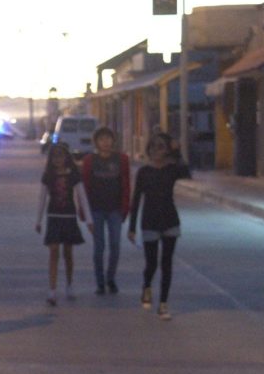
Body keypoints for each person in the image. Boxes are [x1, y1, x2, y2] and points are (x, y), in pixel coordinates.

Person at [128, 132, 190, 321]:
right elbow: (136, 199)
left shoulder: (172, 169)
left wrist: (177, 151)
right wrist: (132, 227)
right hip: (150, 222)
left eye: (161, 146)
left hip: (170, 220)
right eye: (153, 146)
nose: (156, 150)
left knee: (167, 263)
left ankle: (163, 304)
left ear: (167, 150)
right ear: (148, 150)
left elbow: (187, 172)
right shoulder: (144, 172)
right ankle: (146, 286)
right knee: (152, 263)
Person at [36, 143, 88, 306]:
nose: (58, 159)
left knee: (68, 253)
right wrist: (38, 220)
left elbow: (82, 196)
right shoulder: (48, 176)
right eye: (55, 156)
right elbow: (42, 198)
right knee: (53, 252)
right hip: (53, 217)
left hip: (68, 216)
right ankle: (52, 290)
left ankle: (70, 284)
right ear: (51, 159)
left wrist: (89, 219)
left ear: (67, 158)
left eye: (61, 156)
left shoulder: (74, 175)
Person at [80, 127, 131, 295]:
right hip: (96, 210)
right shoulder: (89, 161)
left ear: (113, 140)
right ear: (96, 142)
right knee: (99, 247)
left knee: (115, 245)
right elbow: (84, 187)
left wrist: (125, 208)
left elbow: (126, 185)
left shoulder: (121, 159)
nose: (106, 142)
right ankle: (100, 282)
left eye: (108, 139)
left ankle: (111, 278)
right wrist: (84, 212)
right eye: (102, 139)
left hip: (115, 210)